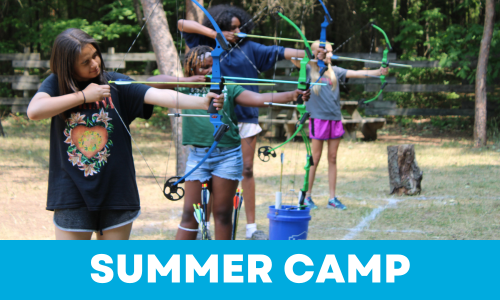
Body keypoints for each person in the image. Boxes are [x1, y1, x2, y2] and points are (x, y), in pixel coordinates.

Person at [27, 28, 224, 240]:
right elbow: (34, 111)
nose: (95, 64)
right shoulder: (57, 84)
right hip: (71, 192)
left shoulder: (115, 83)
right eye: (85, 62)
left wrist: (202, 102)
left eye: (95, 56)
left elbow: (158, 95)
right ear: (68, 66)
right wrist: (83, 96)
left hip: (117, 191)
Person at [177, 4, 325, 239]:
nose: (236, 32)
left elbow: (282, 53)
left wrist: (309, 54)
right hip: (211, 124)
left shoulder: (250, 48)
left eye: (239, 28)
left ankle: (251, 227)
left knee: (244, 172)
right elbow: (182, 24)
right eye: (231, 28)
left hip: (244, 118)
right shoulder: (205, 50)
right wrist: (216, 35)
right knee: (198, 206)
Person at [147, 45, 311, 240]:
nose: (210, 71)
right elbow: (151, 82)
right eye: (204, 67)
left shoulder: (228, 87)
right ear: (191, 69)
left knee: (223, 214)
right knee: (189, 214)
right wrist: (186, 80)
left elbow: (259, 98)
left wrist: (292, 95)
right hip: (198, 156)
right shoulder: (185, 87)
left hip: (227, 157)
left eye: (213, 66)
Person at [302, 41, 389, 210]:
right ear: (317, 53)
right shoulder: (307, 70)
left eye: (331, 52)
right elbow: (297, 58)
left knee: (332, 158)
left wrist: (379, 72)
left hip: (334, 119)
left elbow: (357, 73)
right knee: (315, 158)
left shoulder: (335, 72)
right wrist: (314, 57)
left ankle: (332, 198)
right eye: (326, 52)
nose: (330, 55)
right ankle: (307, 196)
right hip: (318, 119)